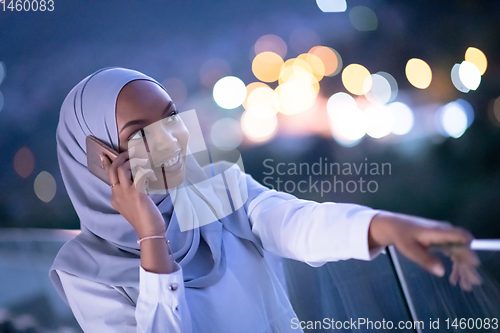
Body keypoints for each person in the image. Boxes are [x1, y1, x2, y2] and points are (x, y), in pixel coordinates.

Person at [49, 67, 480, 333]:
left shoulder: (213, 189)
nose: (172, 141)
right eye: (139, 134)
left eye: (172, 118)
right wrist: (151, 239)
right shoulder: (85, 274)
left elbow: (294, 221)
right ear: (96, 160)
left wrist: (386, 226)